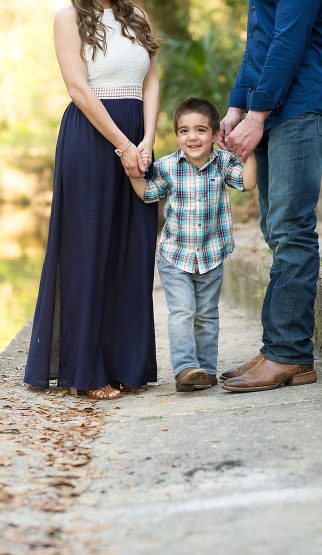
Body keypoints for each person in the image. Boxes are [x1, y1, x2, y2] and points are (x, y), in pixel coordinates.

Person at [24, 0, 160, 400]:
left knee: (133, 249)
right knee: (88, 252)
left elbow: (150, 81)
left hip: (138, 136)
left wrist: (148, 139)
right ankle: (86, 371)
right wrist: (123, 145)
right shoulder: (68, 16)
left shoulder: (136, 13)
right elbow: (77, 88)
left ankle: (127, 364)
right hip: (92, 138)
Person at [215, 0, 322, 393]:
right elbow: (258, 42)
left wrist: (257, 113)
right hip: (272, 110)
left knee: (291, 231)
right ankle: (281, 349)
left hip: (301, 107)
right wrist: (238, 105)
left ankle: (288, 352)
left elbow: (289, 39)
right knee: (276, 231)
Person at [129, 98, 257, 392]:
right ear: (177, 136)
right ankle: (186, 368)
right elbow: (149, 194)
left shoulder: (223, 164)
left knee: (207, 315)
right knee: (183, 312)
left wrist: (248, 153)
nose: (192, 137)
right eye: (184, 131)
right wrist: (135, 174)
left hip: (212, 255)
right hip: (176, 257)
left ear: (214, 135)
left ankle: (206, 370)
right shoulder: (168, 166)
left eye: (201, 130)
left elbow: (248, 183)